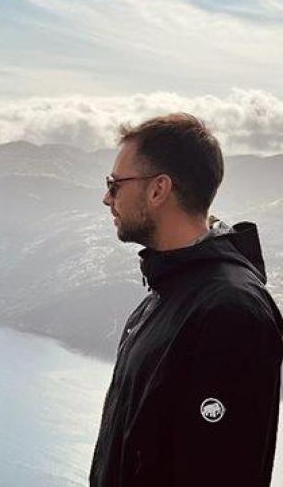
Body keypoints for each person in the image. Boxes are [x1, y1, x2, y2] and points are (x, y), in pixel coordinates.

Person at [89, 113, 283, 486]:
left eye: (115, 184)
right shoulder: (170, 289)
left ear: (158, 190)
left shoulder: (230, 312)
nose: (106, 197)